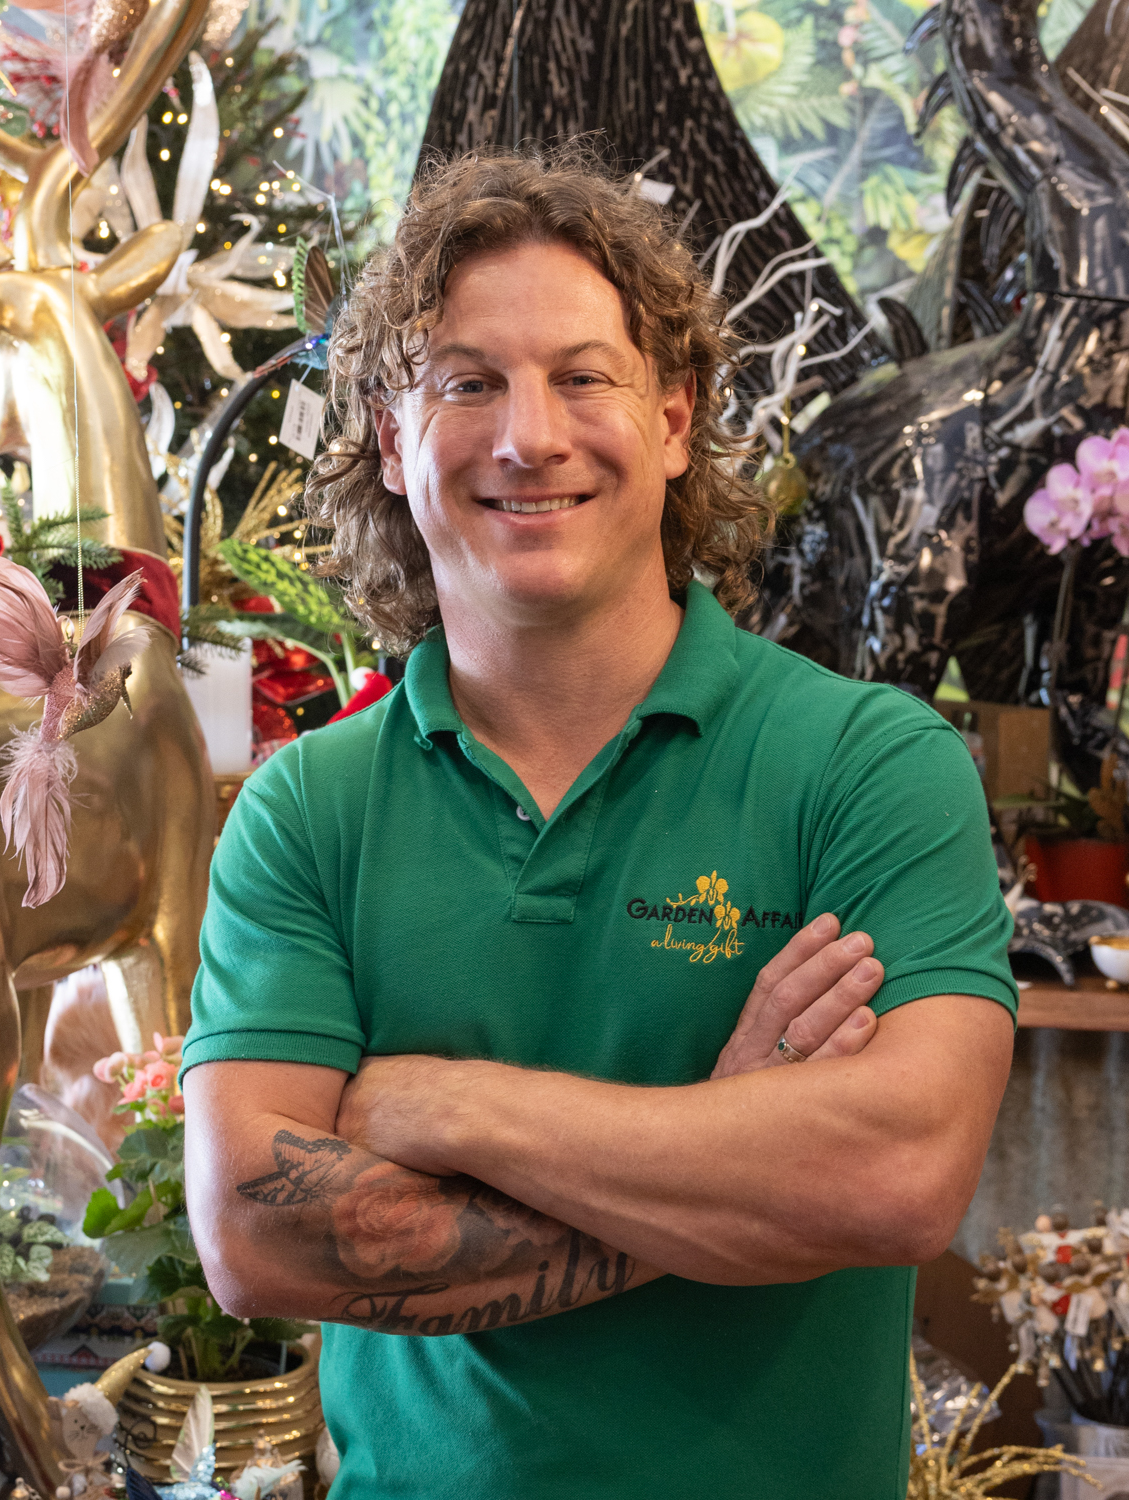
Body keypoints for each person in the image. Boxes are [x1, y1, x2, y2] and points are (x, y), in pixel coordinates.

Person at [180, 150, 1016, 1498]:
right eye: (468, 382)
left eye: (583, 375)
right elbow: (254, 1238)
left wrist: (443, 1106)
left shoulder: (869, 764)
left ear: (675, 421)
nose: (529, 437)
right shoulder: (307, 809)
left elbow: (901, 1176)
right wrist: (731, 1143)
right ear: (394, 438)